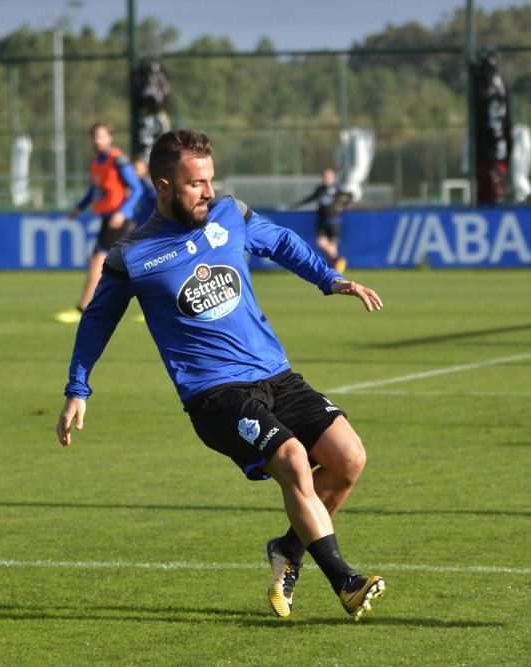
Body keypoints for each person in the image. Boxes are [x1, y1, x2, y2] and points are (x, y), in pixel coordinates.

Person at [56, 129, 386, 621]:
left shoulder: (231, 214)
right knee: (294, 460)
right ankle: (346, 583)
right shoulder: (132, 256)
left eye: (211, 180)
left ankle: (287, 551)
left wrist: (331, 280)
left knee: (348, 459)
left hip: (276, 374)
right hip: (215, 395)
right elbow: (97, 320)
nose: (208, 191)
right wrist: (77, 388)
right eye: (196, 184)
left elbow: (280, 241)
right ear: (163, 186)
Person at [54, 122, 143, 324]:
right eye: (95, 136)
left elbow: (136, 189)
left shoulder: (118, 160)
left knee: (97, 259)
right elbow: (93, 190)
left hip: (118, 220)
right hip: (108, 219)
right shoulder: (96, 161)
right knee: (132, 267)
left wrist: (123, 212)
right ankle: (160, 306)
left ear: (110, 138)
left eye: (102, 136)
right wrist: (79, 207)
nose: (98, 140)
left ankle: (82, 308)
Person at [293, 168, 349, 272]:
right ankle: (338, 261)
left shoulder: (338, 189)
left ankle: (332, 269)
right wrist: (297, 204)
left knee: (332, 247)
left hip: (334, 222)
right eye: (325, 176)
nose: (326, 178)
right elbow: (311, 198)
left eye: (329, 176)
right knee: (321, 243)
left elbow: (348, 198)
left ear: (333, 177)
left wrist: (343, 206)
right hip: (322, 221)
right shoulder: (320, 189)